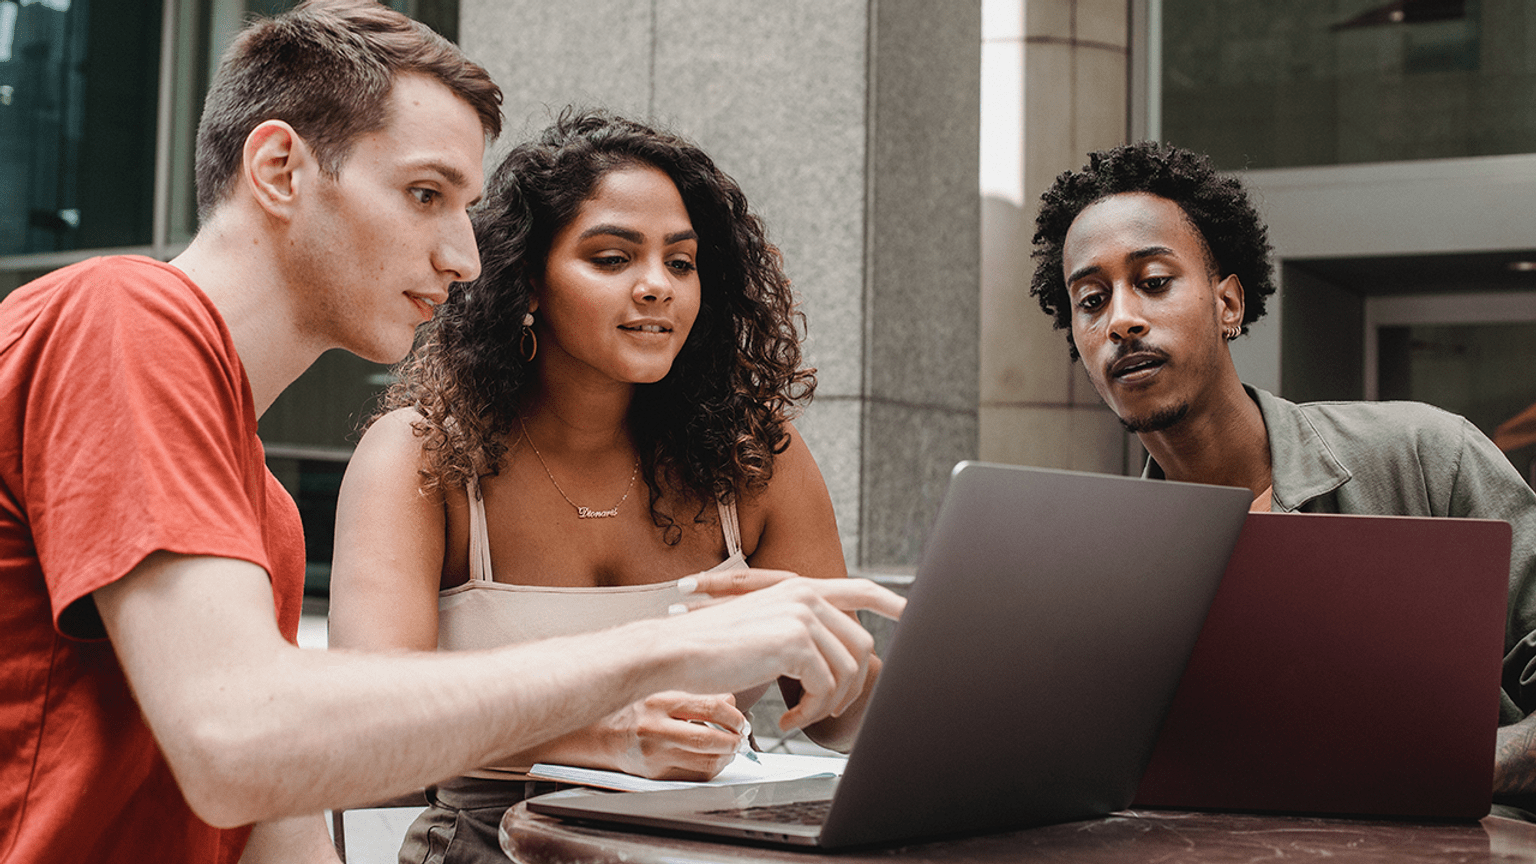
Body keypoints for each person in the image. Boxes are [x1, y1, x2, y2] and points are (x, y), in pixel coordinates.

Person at [0, 3, 902, 862]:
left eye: (464, 211)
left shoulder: (264, 511)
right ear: (278, 170)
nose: (466, 258)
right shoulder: (121, 313)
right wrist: (665, 651)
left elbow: (281, 819)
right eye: (425, 195)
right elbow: (240, 739)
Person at [325, 108, 874, 862]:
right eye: (613, 259)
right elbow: (362, 723)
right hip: (490, 843)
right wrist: (599, 736)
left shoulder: (756, 460)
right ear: (527, 283)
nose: (657, 287)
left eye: (680, 263)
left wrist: (846, 671)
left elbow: (837, 726)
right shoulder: (423, 456)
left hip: (711, 842)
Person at [1027, 141, 1536, 808]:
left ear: (1228, 305)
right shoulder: (1102, 572)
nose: (1121, 320)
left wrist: (1456, 768)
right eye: (1091, 300)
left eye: (1152, 282)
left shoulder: (1423, 453)